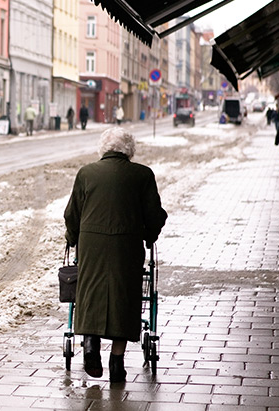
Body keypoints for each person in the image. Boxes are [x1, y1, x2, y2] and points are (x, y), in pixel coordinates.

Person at [64, 127, 167, 383]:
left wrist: (72, 237)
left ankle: (90, 346)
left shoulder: (86, 173)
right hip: (127, 245)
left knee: (90, 291)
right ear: (129, 150)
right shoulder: (142, 175)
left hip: (92, 245)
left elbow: (71, 214)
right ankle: (117, 362)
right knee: (125, 296)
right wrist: (150, 234)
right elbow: (155, 215)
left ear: (104, 148)